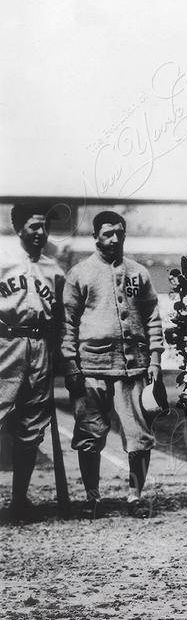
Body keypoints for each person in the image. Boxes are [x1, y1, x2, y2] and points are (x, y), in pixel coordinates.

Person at [61, 211, 162, 513]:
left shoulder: (138, 273)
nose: (114, 238)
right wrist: (70, 364)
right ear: (96, 236)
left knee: (138, 436)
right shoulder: (79, 274)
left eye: (119, 232)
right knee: (90, 435)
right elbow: (66, 324)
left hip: (133, 368)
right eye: (107, 233)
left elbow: (153, 318)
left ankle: (136, 496)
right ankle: (92, 498)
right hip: (91, 368)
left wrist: (155, 359)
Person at [1, 203, 64, 520]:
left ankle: (18, 501)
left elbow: (61, 319)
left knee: (31, 425)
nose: (41, 233)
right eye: (34, 226)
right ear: (19, 228)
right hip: (5, 341)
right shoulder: (2, 259)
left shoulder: (54, 269)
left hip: (40, 345)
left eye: (44, 227)